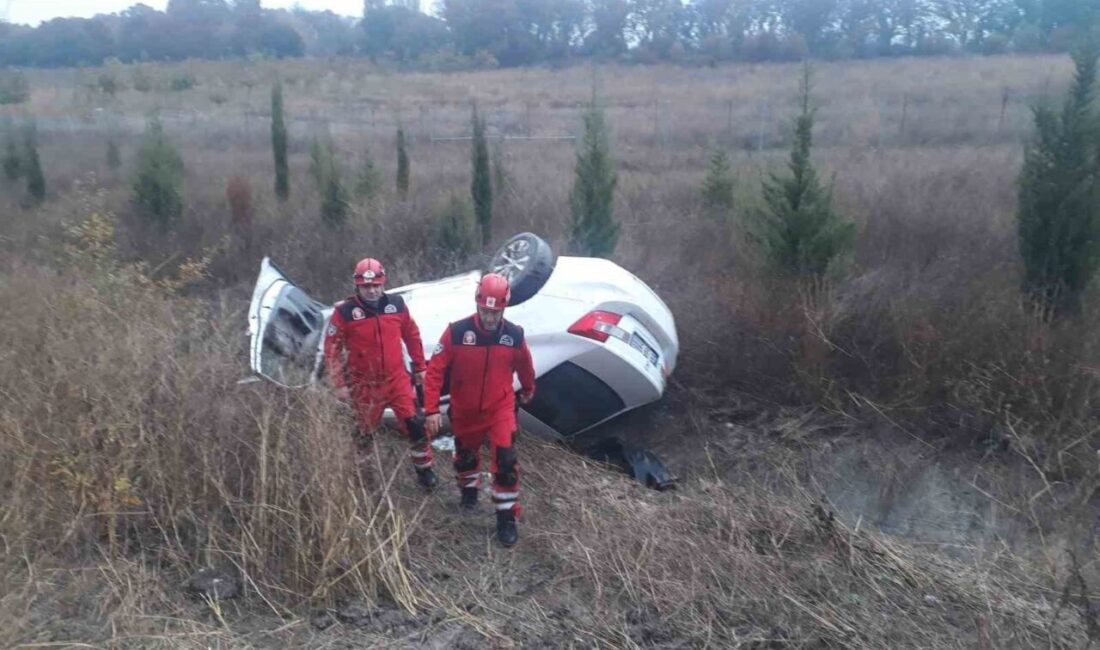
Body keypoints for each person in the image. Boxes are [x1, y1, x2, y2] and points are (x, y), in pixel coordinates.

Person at [424, 273, 536, 547]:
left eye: (495, 312)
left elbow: (525, 367)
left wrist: (529, 389)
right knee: (465, 456)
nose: (489, 318)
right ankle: (469, 491)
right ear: (477, 305)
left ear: (504, 309)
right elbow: (435, 371)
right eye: (485, 311)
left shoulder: (514, 335)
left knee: (506, 460)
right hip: (464, 408)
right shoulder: (457, 333)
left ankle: (506, 517)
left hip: (500, 407)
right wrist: (431, 409)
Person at [323, 257, 437, 489]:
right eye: (367, 287)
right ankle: (364, 478)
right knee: (363, 433)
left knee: (415, 427)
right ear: (358, 286)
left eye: (376, 285)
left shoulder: (396, 305)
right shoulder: (345, 312)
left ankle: (425, 472)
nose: (372, 291)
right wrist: (339, 383)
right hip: (365, 385)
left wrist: (420, 367)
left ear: (383, 284)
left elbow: (412, 336)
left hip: (397, 380)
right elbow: (332, 349)